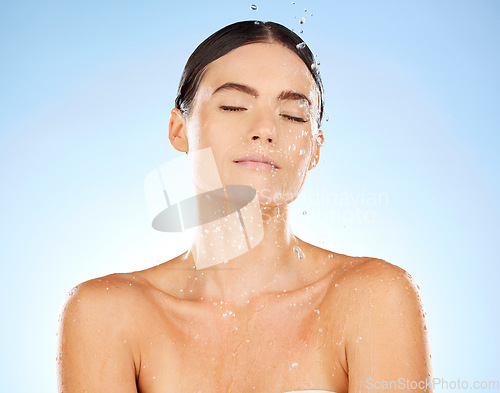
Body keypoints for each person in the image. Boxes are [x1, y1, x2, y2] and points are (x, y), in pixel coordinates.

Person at [56, 21, 432, 393]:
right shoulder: (105, 315)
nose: (266, 128)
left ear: (315, 149)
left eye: (293, 115)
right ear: (179, 130)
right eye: (235, 106)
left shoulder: (371, 298)